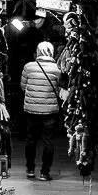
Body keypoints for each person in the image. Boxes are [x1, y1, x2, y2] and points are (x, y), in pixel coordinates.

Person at [20, 41, 64, 181]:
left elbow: (23, 87)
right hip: (50, 111)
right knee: (48, 141)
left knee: (31, 140)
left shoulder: (28, 67)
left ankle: (30, 169)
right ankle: (45, 172)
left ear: (38, 51)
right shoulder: (57, 68)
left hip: (31, 110)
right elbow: (58, 90)